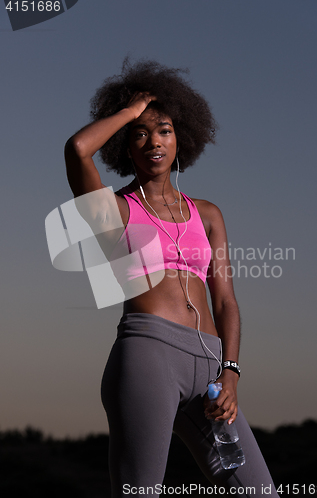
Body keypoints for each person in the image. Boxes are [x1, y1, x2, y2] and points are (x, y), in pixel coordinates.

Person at [65, 59, 279, 497]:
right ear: (126, 146)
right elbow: (78, 150)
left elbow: (225, 303)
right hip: (148, 358)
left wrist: (233, 373)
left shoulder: (208, 213)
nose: (153, 142)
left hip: (211, 371)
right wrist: (131, 109)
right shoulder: (117, 211)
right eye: (140, 134)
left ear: (181, 138)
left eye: (163, 129)